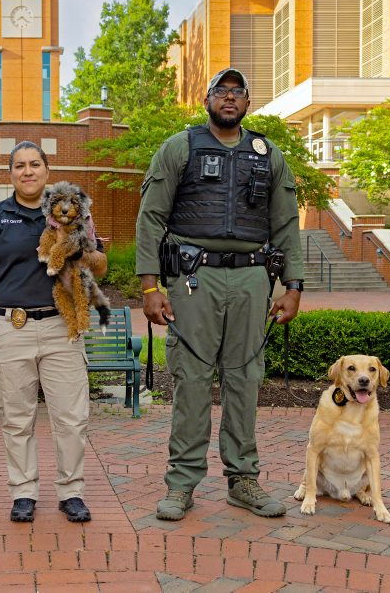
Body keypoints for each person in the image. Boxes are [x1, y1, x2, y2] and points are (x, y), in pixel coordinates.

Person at [136, 68, 304, 521]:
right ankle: (182, 483)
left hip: (252, 279)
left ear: (248, 103)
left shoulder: (268, 155)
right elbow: (150, 218)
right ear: (207, 99)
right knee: (191, 380)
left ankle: (243, 480)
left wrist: (294, 286)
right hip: (195, 279)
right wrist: (150, 286)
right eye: (220, 91)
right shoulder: (179, 147)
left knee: (245, 380)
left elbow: (287, 223)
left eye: (237, 93)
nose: (229, 99)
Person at [0, 141, 107, 523]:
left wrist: (76, 249)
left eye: (35, 164)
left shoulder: (71, 211)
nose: (28, 171)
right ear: (10, 173)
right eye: (20, 165)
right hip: (12, 327)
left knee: (72, 418)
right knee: (16, 417)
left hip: (62, 328)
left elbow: (101, 265)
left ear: (46, 170)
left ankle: (71, 491)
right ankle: (23, 491)